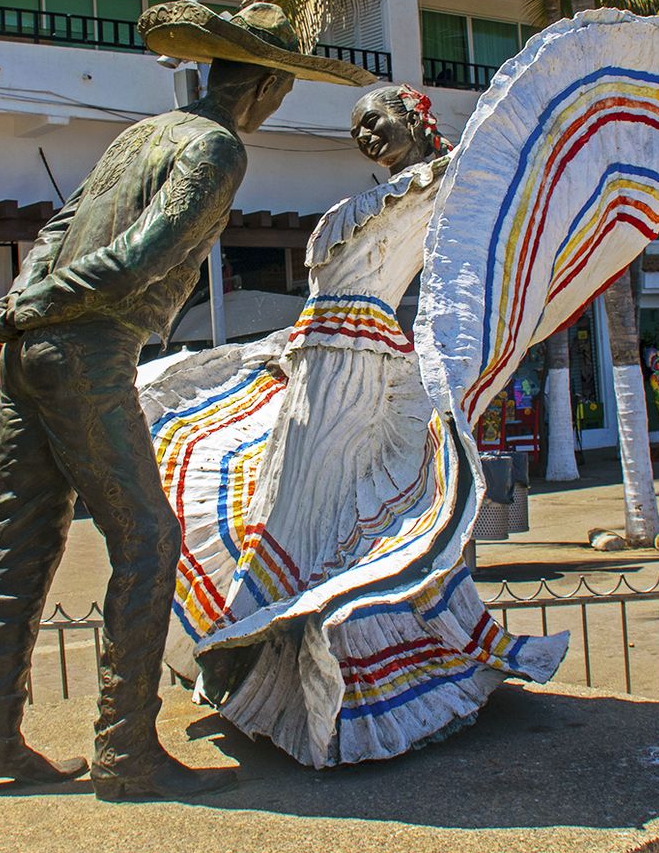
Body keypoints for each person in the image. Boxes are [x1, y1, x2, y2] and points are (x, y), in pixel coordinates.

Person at [0, 0, 372, 800]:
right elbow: (145, 256)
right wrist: (39, 305)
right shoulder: (216, 148)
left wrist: (26, 298)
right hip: (83, 349)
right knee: (147, 541)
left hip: (30, 352)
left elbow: (59, 226)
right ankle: (124, 751)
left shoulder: (143, 135)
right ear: (268, 90)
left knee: (19, 547)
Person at [141, 83, 567, 768]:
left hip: (358, 370)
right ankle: (264, 657)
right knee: (286, 502)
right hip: (318, 356)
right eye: (357, 129)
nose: (366, 136)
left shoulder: (449, 184)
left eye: (375, 121)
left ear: (414, 117)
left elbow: (483, 259)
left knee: (302, 509)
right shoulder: (390, 192)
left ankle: (259, 648)